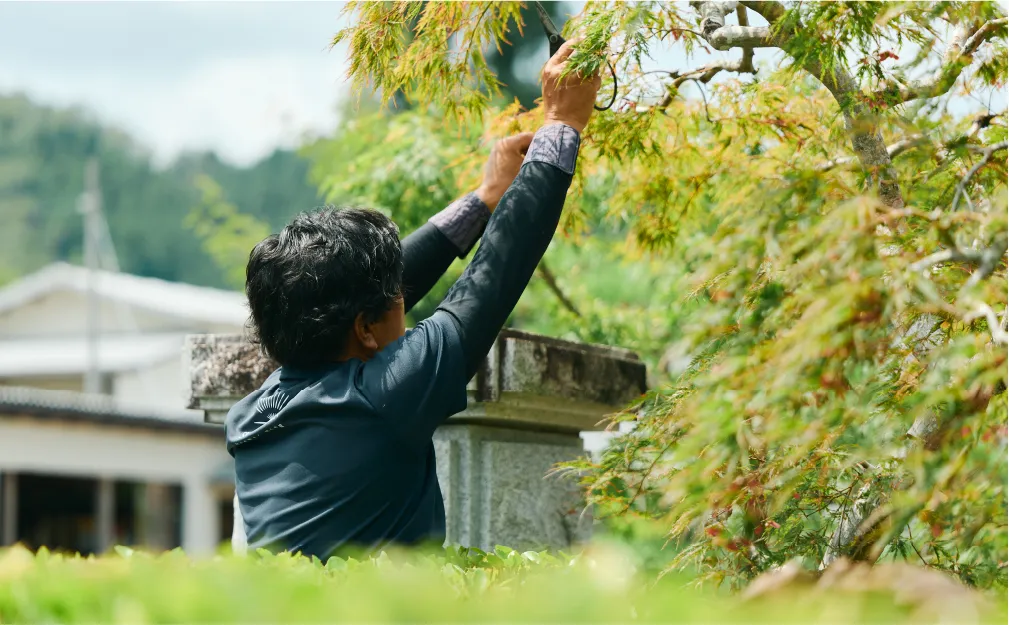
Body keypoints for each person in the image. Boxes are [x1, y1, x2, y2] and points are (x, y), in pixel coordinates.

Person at [225, 40, 602, 560]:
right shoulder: (379, 398)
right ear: (363, 328)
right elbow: (489, 284)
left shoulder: (256, 411)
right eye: (394, 299)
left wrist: (485, 198)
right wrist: (562, 123)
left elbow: (375, 291)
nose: (404, 297)